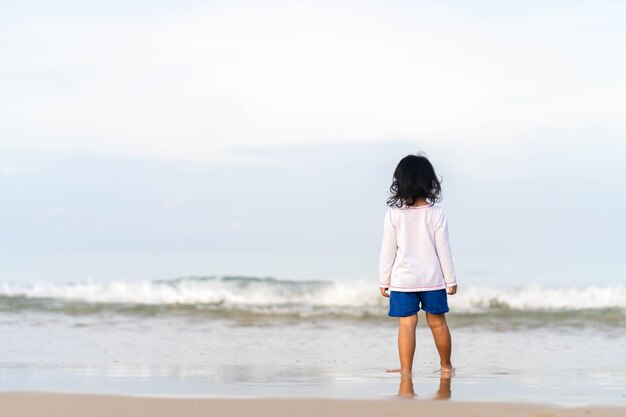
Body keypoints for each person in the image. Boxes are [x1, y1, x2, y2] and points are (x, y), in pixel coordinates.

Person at [378, 152, 458, 377]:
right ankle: (446, 367)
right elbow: (444, 249)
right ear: (429, 182)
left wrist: (384, 280)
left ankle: (406, 372)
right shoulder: (437, 214)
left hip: (403, 280)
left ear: (400, 182)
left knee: (406, 325)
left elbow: (388, 250)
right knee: (438, 323)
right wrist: (450, 279)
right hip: (433, 279)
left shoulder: (394, 215)